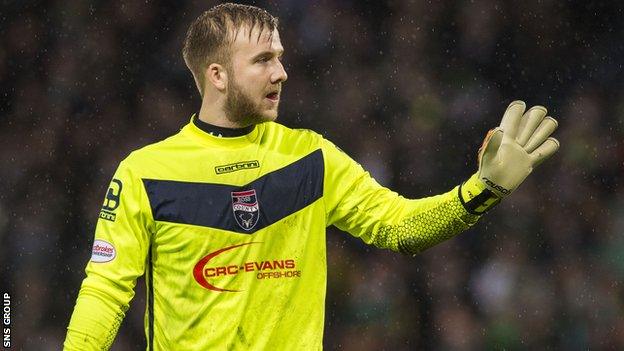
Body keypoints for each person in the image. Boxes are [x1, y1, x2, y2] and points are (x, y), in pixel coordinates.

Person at [64, 3, 560, 350]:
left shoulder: (311, 157)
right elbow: (105, 293)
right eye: (263, 61)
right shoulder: (145, 173)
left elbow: (399, 228)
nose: (281, 73)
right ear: (217, 76)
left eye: (280, 57)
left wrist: (484, 190)